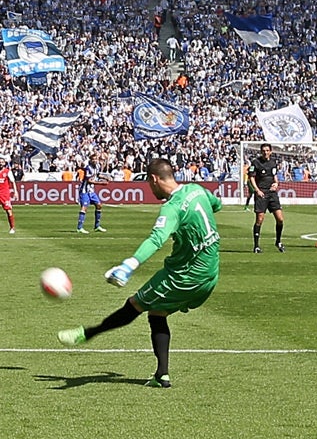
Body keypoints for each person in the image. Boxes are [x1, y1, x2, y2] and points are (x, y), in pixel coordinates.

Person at [57, 157, 219, 388]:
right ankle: (161, 375)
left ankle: (89, 333)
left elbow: (156, 239)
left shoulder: (172, 208)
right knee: (157, 312)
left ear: (154, 179)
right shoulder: (197, 190)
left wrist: (128, 266)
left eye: (148, 183)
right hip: (211, 273)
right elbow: (217, 205)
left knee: (134, 305)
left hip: (183, 275)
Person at [246, 142, 284, 253]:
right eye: (263, 150)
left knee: (280, 219)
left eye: (267, 150)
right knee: (259, 219)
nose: (265, 152)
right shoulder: (255, 163)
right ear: (261, 151)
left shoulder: (273, 162)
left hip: (272, 193)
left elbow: (275, 177)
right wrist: (257, 190)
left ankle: (278, 241)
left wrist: (276, 184)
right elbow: (251, 178)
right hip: (261, 193)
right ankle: (256, 246)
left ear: (270, 152)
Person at [76, 160, 105, 233]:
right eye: (94, 159)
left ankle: (97, 226)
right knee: (84, 208)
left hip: (91, 191)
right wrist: (101, 183)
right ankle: (79, 228)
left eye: (96, 159)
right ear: (91, 160)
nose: (95, 161)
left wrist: (105, 177)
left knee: (99, 205)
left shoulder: (97, 166)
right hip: (84, 191)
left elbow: (98, 174)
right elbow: (89, 180)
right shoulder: (88, 168)